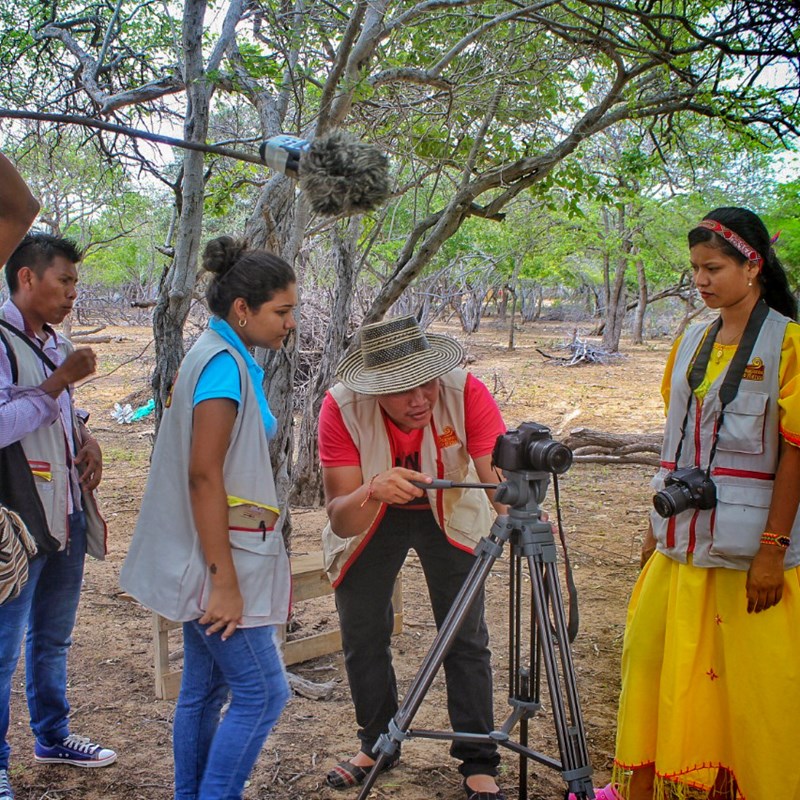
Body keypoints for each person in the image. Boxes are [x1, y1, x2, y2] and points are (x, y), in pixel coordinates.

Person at [610, 208, 800, 800]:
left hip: (752, 560)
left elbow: (796, 453)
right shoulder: (690, 339)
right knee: (650, 667)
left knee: (753, 693)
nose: (700, 280)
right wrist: (650, 531)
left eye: (713, 267)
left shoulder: (790, 344)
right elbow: (675, 446)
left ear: (754, 266)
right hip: (680, 546)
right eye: (694, 269)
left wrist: (772, 550)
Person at [120, 236, 296, 800]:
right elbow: (204, 474)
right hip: (217, 558)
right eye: (282, 311)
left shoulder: (218, 354)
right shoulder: (222, 366)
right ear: (242, 310)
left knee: (204, 687)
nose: (290, 323)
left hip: (212, 549)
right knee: (264, 694)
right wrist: (222, 582)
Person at [318, 315, 508, 800]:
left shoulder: (465, 391)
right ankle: (376, 744)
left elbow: (494, 479)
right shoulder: (341, 407)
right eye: (403, 390)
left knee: (464, 633)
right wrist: (372, 490)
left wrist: (520, 513)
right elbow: (340, 517)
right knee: (363, 629)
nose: (421, 398)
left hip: (449, 509)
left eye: (425, 382)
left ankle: (478, 761)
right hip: (374, 511)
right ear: (374, 388)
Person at [0, 232, 113, 800]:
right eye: (64, 280)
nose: (73, 292)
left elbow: (58, 413)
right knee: (2, 649)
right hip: (15, 525)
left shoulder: (52, 339)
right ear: (26, 277)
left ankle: (53, 736)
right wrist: (59, 381)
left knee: (52, 639)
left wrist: (86, 434)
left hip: (61, 513)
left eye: (74, 281)